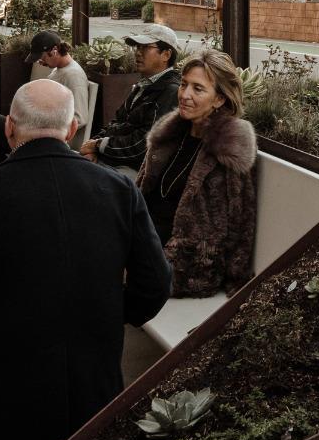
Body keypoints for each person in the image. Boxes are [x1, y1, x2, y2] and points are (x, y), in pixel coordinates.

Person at [0, 80, 172, 440]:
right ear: (72, 129)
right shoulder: (118, 190)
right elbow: (154, 283)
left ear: (9, 127)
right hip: (93, 380)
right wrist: (110, 313)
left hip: (2, 390)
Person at [139, 48, 257, 297]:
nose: (185, 95)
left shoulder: (228, 147)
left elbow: (241, 218)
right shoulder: (170, 135)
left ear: (219, 99)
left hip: (186, 264)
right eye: (183, 85)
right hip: (144, 242)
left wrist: (237, 279)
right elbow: (142, 192)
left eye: (198, 88)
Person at [80, 24, 182, 175]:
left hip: (142, 171)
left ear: (166, 55)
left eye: (145, 47)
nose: (138, 53)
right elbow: (116, 122)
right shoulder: (143, 85)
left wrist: (99, 145)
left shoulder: (171, 91)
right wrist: (93, 147)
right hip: (116, 160)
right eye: (137, 47)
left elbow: (145, 144)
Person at [26, 30, 90, 133]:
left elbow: (80, 119)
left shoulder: (74, 76)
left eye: (42, 58)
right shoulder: (59, 70)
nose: (40, 62)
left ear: (54, 50)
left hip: (49, 135)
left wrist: (44, 129)